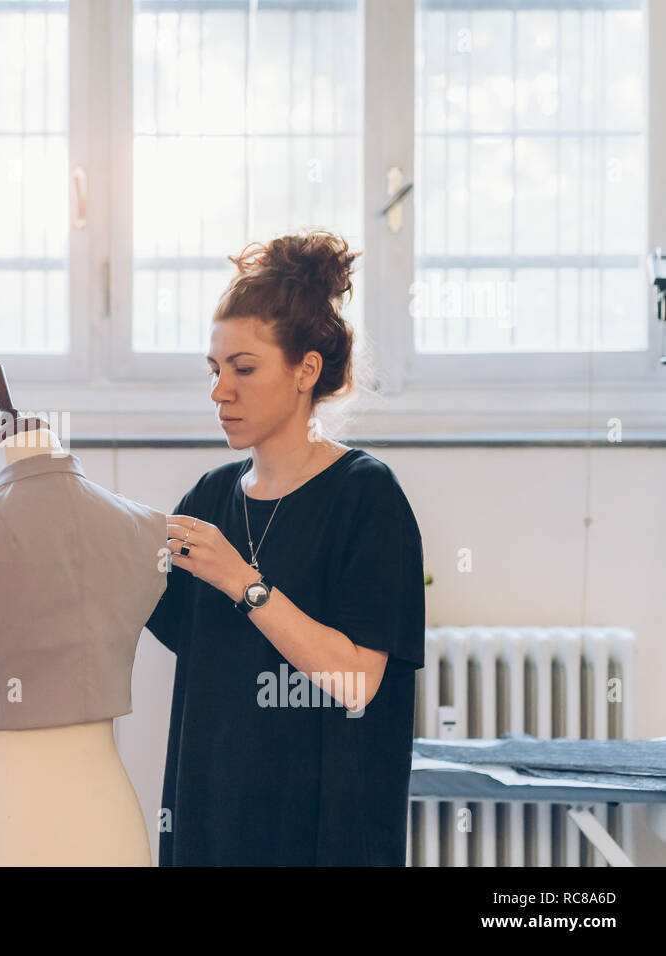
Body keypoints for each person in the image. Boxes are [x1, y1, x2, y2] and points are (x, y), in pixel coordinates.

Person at [146, 229, 427, 866]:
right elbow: (155, 620)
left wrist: (243, 581)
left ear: (306, 370)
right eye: (215, 371)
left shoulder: (366, 496)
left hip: (323, 835)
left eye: (244, 369)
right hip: (212, 826)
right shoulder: (210, 498)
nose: (221, 391)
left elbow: (356, 680)